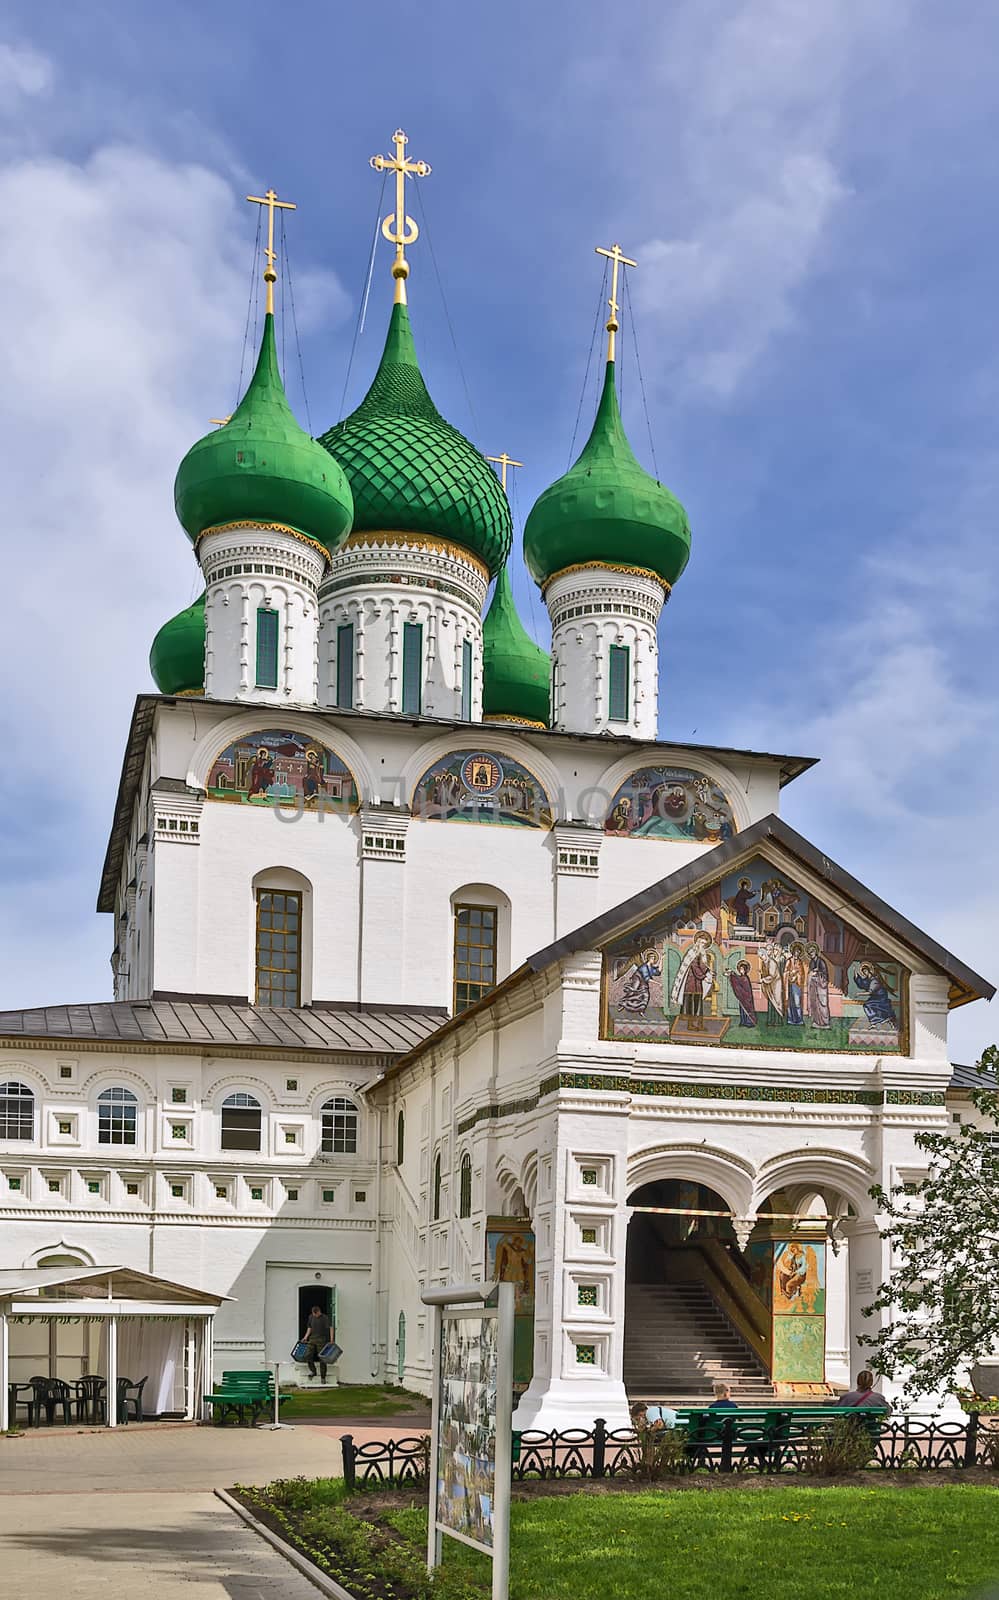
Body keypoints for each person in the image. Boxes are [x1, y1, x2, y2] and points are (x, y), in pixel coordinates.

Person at [301, 1303, 332, 1381]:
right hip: (312, 1338)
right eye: (313, 1314)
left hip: (322, 1339)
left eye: (316, 1314)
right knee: (308, 1355)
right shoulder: (311, 1317)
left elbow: (331, 1328)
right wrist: (305, 1337)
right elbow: (309, 1327)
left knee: (322, 1358)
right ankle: (313, 1371)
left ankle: (323, 1377)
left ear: (319, 1312)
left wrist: (331, 1339)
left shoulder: (325, 1318)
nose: (315, 1316)